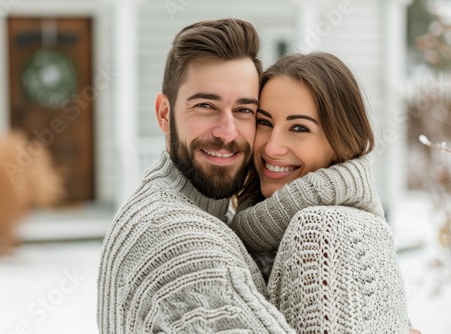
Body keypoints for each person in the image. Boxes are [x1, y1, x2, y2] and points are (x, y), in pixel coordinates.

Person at [97, 18, 417, 333]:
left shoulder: (321, 233)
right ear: (165, 114)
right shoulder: (179, 238)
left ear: (340, 142)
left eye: (245, 111)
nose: (227, 131)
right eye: (206, 105)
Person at [231, 52, 412, 333]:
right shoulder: (249, 225)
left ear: (340, 142)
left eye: (299, 128)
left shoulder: (324, 231)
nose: (271, 148)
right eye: (264, 122)